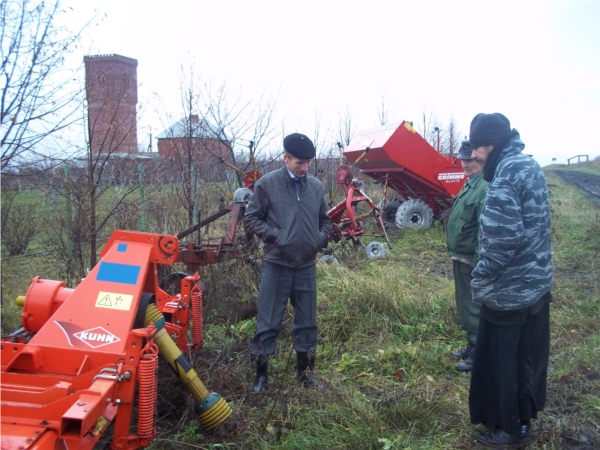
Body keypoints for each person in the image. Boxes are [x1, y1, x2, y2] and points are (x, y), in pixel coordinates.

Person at [467, 113, 553, 447]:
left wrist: (481, 279)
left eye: (478, 147)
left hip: (509, 292)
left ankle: (511, 431)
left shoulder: (505, 174)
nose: (474, 154)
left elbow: (503, 238)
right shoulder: (528, 166)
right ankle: (524, 421)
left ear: (494, 143)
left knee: (504, 365)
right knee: (527, 358)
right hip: (536, 287)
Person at [243, 132, 331, 392]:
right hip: (277, 264)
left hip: (306, 265)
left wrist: (319, 239)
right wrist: (278, 237)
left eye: (308, 163)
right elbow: (252, 219)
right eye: (299, 163)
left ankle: (305, 374)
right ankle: (261, 376)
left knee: (307, 322)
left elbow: (324, 219)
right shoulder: (267, 185)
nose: (304, 168)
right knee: (268, 321)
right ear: (285, 158)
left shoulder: (315, 186)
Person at [446, 140, 487, 373]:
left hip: (472, 259)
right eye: (462, 159)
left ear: (480, 159)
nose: (464, 164)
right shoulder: (471, 183)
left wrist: (480, 262)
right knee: (465, 305)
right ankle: (472, 345)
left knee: (474, 307)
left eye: (469, 160)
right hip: (460, 256)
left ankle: (479, 354)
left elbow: (485, 229)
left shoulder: (485, 186)